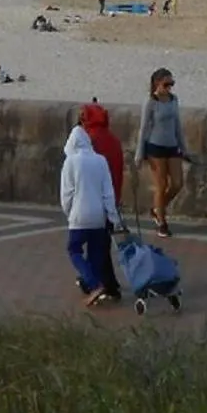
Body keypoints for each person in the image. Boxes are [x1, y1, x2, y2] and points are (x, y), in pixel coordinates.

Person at [60, 124, 119, 307]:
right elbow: (108, 192)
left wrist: (69, 213)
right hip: (98, 217)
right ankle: (94, 285)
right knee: (95, 253)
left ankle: (94, 285)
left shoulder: (70, 162)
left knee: (74, 250)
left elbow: (67, 193)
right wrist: (113, 217)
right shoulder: (100, 160)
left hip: (79, 216)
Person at [79, 102, 126, 299]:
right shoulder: (113, 140)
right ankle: (109, 284)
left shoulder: (90, 141)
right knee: (102, 242)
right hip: (111, 197)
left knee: (95, 243)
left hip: (94, 199)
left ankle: (96, 283)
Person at [136, 68, 187, 238]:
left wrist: (184, 148)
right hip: (155, 147)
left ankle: (157, 209)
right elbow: (143, 129)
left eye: (171, 84)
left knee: (177, 183)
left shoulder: (174, 100)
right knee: (161, 185)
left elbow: (177, 125)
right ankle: (162, 222)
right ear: (157, 83)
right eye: (166, 84)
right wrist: (139, 153)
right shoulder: (151, 102)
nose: (169, 87)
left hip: (172, 146)